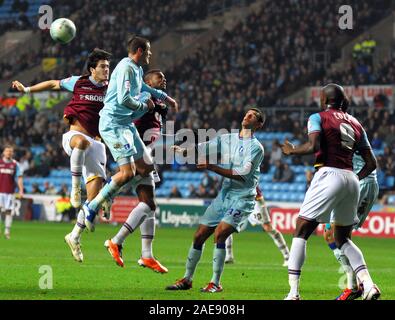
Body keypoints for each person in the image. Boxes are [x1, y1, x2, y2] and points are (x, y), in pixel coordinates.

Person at [80, 36, 177, 268]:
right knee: (132, 179)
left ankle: (143, 252)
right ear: (141, 51)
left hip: (130, 133)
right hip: (119, 128)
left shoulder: (138, 77)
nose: (151, 56)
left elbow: (144, 90)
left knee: (149, 196)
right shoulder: (128, 72)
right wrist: (146, 105)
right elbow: (128, 100)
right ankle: (94, 207)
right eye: (149, 52)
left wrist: (164, 98)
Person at [281, 83, 380, 300]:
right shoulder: (356, 123)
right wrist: (355, 177)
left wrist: (292, 151)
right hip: (351, 180)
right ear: (343, 102)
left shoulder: (318, 117)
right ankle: (369, 285)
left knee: (301, 230)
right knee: (343, 238)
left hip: (329, 174)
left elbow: (314, 146)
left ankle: (294, 293)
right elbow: (372, 162)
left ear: (323, 101)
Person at [12, 48, 112, 262]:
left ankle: (74, 236)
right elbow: (52, 83)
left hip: (97, 144)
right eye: (103, 66)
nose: (107, 70)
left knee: (93, 201)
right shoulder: (78, 81)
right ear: (92, 69)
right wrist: (27, 89)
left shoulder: (111, 89)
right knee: (81, 142)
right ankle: (75, 188)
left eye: (108, 66)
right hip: (74, 136)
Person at [166, 108, 265, 292]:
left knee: (220, 234)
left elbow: (243, 175)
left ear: (259, 124)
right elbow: (205, 147)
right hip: (224, 195)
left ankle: (215, 283)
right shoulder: (228, 139)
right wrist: (184, 151)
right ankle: (187, 279)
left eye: (253, 115)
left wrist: (211, 166)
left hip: (242, 198)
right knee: (199, 236)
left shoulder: (256, 147)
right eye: (247, 113)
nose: (247, 116)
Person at [323, 151, 379, 300]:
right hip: (359, 184)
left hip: (359, 185)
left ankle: (359, 286)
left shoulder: (342, 131)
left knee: (338, 236)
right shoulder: (348, 131)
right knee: (331, 235)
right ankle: (356, 285)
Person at [131, 69, 171, 273]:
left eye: (164, 78)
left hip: (148, 155)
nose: (163, 80)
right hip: (137, 153)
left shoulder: (158, 101)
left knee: (150, 206)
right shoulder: (142, 96)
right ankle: (116, 238)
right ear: (147, 81)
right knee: (148, 203)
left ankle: (147, 255)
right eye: (159, 77)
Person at [224, 186, 290, 266]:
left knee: (268, 228)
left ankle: (288, 257)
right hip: (239, 202)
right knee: (228, 226)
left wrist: (261, 204)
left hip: (255, 201)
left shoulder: (246, 174)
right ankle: (229, 256)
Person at [0, 146, 24, 239]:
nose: (9, 153)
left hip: (10, 192)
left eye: (11, 151)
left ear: (12, 153)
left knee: (9, 211)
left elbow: (19, 178)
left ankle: (7, 231)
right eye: (7, 151)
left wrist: (21, 190)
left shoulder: (15, 164)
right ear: (3, 152)